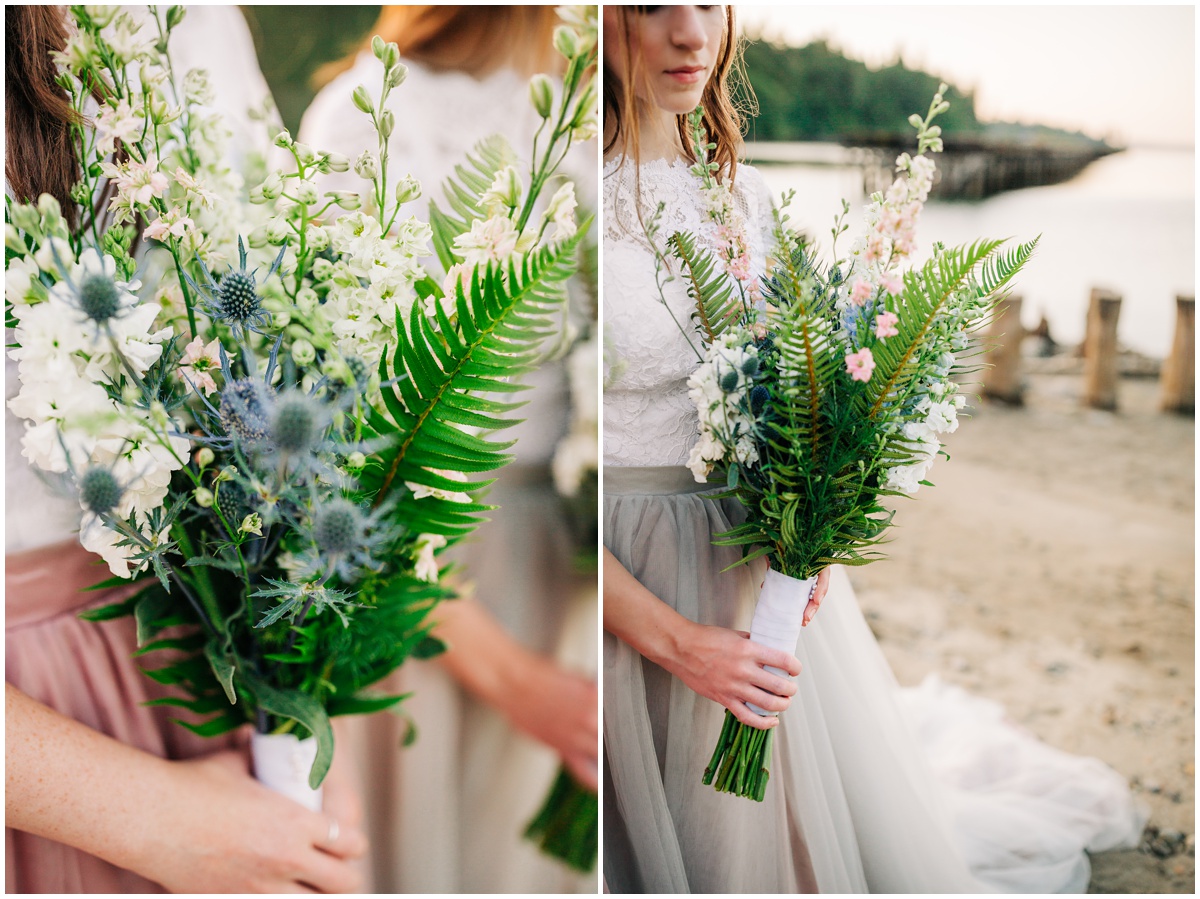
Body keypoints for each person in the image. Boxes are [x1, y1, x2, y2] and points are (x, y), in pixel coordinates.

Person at [601, 5, 1145, 894]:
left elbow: (789, 393)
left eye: (709, 4)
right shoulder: (555, 197)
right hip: (611, 570)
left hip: (744, 561)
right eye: (653, 5)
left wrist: (811, 530)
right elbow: (519, 485)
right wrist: (677, 642)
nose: (691, 35)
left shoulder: (742, 196)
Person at [4, 7, 368, 892]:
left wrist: (305, 724)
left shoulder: (193, 19)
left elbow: (270, 365)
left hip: (208, 649)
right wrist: (156, 816)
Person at [300, 6, 598, 893]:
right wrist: (514, 677)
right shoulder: (367, 115)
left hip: (568, 567)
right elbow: (325, 451)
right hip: (411, 587)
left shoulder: (589, 115)